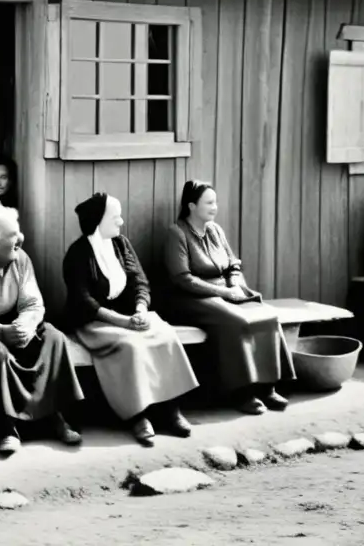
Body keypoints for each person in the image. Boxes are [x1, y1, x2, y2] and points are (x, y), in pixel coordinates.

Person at [62, 192, 199, 447]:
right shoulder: (77, 254)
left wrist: (139, 309)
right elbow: (84, 302)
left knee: (165, 335)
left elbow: (140, 281)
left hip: (129, 315)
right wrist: (122, 322)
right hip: (95, 321)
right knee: (132, 345)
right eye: (115, 217)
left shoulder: (121, 244)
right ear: (98, 220)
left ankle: (170, 409)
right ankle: (139, 416)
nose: (121, 222)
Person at [0, 205, 84, 454]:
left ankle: (56, 418)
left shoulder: (21, 258)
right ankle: (5, 428)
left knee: (54, 337)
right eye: (13, 235)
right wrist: (2, 332)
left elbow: (33, 303)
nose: (20, 239)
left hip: (14, 321)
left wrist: (27, 323)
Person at [163, 181, 295, 415]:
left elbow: (233, 264)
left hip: (226, 292)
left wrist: (234, 283)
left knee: (266, 316)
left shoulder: (215, 230)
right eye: (209, 202)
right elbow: (183, 278)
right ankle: (242, 393)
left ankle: (268, 387)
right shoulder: (177, 233)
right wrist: (224, 292)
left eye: (215, 202)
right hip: (191, 299)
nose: (215, 207)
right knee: (238, 321)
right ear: (192, 206)